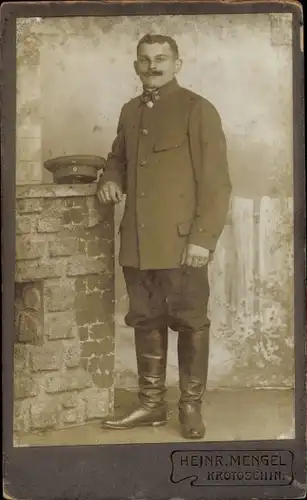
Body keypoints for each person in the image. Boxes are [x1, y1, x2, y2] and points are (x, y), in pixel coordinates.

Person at [97, 33, 232, 439]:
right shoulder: (130, 110)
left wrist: (202, 239)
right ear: (136, 65)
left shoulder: (197, 109)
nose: (152, 66)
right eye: (144, 59)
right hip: (138, 243)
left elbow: (216, 182)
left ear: (177, 62)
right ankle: (151, 405)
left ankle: (189, 407)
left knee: (191, 322)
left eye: (160, 58)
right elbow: (117, 158)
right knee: (146, 319)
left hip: (181, 245)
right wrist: (109, 179)